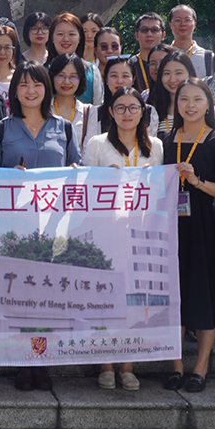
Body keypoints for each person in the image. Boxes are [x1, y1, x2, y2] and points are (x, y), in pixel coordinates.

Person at [0, 62, 80, 392]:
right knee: (18, 294)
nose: (30, 90)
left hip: (54, 226)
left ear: (47, 90)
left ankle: (43, 361)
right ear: (14, 91)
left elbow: (78, 171)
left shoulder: (64, 128)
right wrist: (10, 177)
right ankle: (21, 362)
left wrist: (73, 170)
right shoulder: (1, 129)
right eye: (23, 85)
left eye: (37, 85)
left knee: (48, 296)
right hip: (16, 225)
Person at [159, 78, 215, 393]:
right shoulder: (164, 140)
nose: (189, 105)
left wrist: (197, 181)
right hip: (169, 227)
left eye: (197, 99)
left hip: (204, 224)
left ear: (208, 104)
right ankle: (175, 365)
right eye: (183, 99)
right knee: (173, 297)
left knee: (205, 295)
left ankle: (201, 367)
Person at [82, 86, 161, 391]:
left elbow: (157, 191)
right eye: (120, 108)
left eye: (133, 108)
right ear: (111, 112)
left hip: (142, 232)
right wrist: (105, 180)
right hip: (106, 231)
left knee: (135, 300)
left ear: (143, 112)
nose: (127, 113)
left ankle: (127, 366)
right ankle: (105, 364)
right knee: (106, 297)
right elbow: (86, 187)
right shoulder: (98, 144)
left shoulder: (155, 146)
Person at [48, 53, 100, 155]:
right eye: (61, 75)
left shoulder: (89, 112)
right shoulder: (43, 109)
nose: (66, 81)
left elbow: (89, 152)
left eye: (73, 77)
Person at [47, 12, 95, 103]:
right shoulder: (41, 71)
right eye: (60, 34)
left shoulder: (92, 71)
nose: (66, 39)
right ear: (52, 38)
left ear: (80, 37)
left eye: (71, 34)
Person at [148, 50, 196, 135]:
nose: (172, 79)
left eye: (178, 73)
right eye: (167, 73)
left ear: (190, 74)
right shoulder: (152, 110)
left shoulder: (201, 107)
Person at [169, 4, 211, 77]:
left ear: (194, 24)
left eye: (187, 20)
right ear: (170, 25)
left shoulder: (208, 57)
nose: (183, 24)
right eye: (177, 20)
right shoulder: (165, 55)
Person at [129, 13, 167, 92]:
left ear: (163, 35)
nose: (149, 34)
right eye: (144, 30)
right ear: (136, 35)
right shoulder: (130, 64)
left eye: (154, 30)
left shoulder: (170, 62)